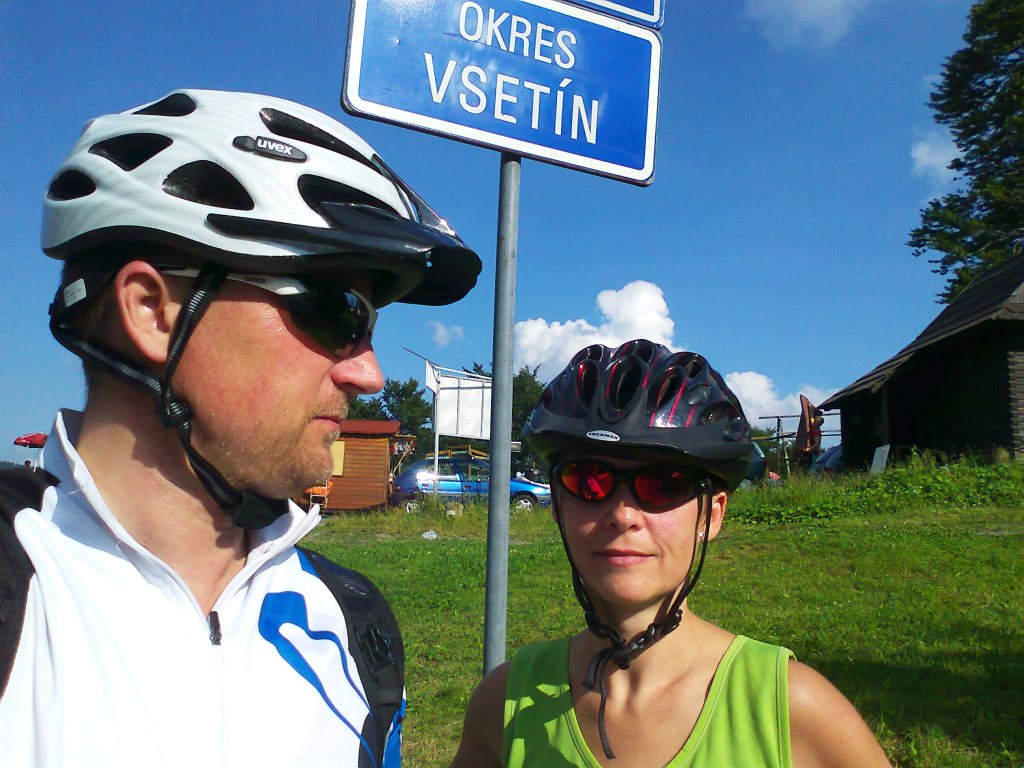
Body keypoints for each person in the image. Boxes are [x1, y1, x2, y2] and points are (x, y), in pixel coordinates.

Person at [0, 88, 480, 767]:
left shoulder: (351, 624)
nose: (369, 374)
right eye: (336, 311)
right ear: (153, 311)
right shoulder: (21, 592)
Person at [451, 340, 891, 768]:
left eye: (663, 484)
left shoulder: (794, 710)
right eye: (589, 481)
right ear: (559, 507)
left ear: (711, 516)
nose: (622, 515)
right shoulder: (502, 705)